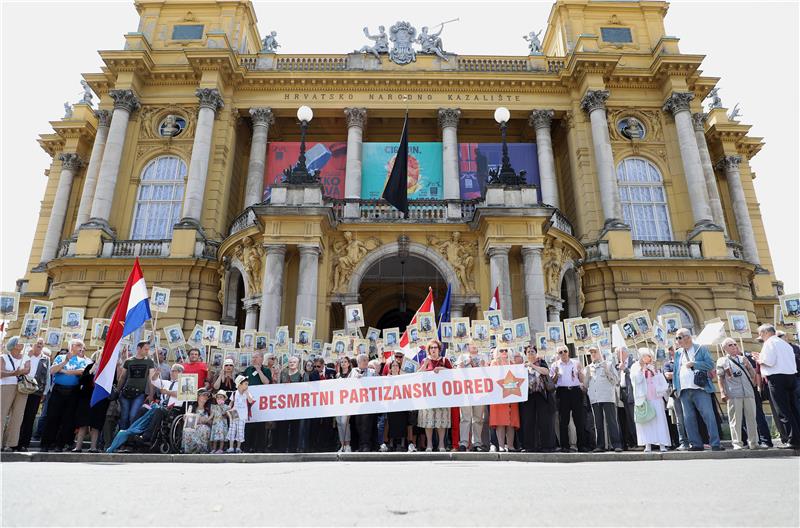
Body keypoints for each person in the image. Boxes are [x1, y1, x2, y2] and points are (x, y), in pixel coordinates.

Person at [673, 328, 722, 451]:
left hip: (700, 388)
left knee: (708, 416)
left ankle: (715, 443)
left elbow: (710, 364)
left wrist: (695, 364)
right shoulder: (678, 353)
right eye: (677, 338)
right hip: (684, 390)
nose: (677, 340)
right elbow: (675, 372)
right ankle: (695, 444)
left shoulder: (700, 348)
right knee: (688, 418)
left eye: (679, 337)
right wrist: (675, 388)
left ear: (687, 337)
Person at [752, 324, 800, 448]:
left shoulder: (769, 343)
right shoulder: (785, 344)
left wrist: (758, 358)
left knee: (782, 410)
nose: (761, 337)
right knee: (793, 408)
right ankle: (797, 437)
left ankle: (791, 439)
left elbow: (769, 361)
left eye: (761, 334)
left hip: (777, 378)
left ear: (766, 332)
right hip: (791, 377)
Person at [41, 339, 89, 452]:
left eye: (82, 346)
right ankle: (46, 443)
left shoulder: (82, 360)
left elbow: (81, 371)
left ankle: (60, 444)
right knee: (52, 417)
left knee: (67, 419)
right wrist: (65, 361)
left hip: (73, 391)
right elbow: (52, 370)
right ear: (72, 346)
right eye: (78, 345)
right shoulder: (60, 357)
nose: (81, 348)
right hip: (58, 390)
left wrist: (64, 371)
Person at [717, 338, 760, 450]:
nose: (734, 346)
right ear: (725, 348)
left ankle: (753, 442)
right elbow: (720, 378)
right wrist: (722, 392)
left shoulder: (743, 358)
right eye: (730, 345)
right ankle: (737, 443)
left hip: (748, 391)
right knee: (735, 419)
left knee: (752, 418)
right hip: (733, 392)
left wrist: (748, 367)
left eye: (735, 344)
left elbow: (753, 374)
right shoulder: (722, 360)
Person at [631, 348, 671, 452]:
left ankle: (662, 444)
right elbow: (636, 381)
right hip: (644, 399)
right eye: (643, 356)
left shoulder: (656, 368)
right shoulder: (636, 367)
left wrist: (655, 372)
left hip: (656, 398)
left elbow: (662, 383)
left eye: (647, 356)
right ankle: (647, 444)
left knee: (659, 420)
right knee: (646, 421)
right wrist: (640, 369)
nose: (645, 358)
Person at [584, 346, 623, 453]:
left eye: (594, 352)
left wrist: (607, 371)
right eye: (591, 353)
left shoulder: (608, 364)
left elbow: (616, 381)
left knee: (611, 421)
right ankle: (600, 445)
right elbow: (586, 385)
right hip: (595, 398)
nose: (593, 354)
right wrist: (586, 375)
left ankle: (616, 444)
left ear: (600, 352)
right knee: (598, 423)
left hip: (607, 397)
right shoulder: (588, 367)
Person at [519, 345, 556, 452]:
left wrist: (533, 365)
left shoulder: (541, 362)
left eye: (532, 351)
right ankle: (530, 446)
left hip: (541, 395)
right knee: (528, 421)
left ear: (536, 353)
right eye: (528, 352)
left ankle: (547, 446)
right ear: (525, 354)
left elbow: (546, 372)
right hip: (528, 396)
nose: (530, 353)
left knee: (544, 421)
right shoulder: (522, 366)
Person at [551, 345, 588, 452]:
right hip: (562, 392)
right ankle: (565, 446)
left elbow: (582, 380)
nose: (563, 353)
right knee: (563, 421)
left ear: (568, 352)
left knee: (579, 420)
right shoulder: (555, 365)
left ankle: (582, 445)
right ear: (558, 354)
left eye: (565, 351)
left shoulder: (576, 363)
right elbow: (552, 383)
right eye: (560, 352)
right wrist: (556, 374)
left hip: (575, 391)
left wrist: (580, 371)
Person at [418, 340, 452, 452]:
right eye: (431, 348)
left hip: (442, 396)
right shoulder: (424, 361)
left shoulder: (444, 360)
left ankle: (441, 444)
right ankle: (429, 444)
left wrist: (442, 369)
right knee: (428, 421)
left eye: (435, 347)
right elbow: (417, 376)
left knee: (441, 420)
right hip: (428, 396)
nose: (433, 349)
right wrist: (425, 365)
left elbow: (453, 373)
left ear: (439, 349)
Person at [17, 338, 50, 452]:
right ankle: (14, 442)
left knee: (30, 418)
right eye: (37, 344)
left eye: (41, 344)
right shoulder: (25, 355)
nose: (39, 345)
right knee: (19, 416)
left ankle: (24, 444)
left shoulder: (45, 359)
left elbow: (47, 376)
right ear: (32, 345)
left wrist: (45, 392)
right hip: (22, 389)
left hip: (36, 391)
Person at [118, 340, 156, 431]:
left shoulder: (149, 362)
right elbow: (122, 377)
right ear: (138, 349)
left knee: (133, 416)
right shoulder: (128, 361)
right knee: (124, 417)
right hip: (125, 393)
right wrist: (118, 391)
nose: (147, 351)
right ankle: (121, 440)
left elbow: (151, 380)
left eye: (148, 349)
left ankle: (131, 439)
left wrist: (151, 394)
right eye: (145, 349)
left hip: (139, 394)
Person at [1, 337, 31, 451]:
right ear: (13, 345)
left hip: (22, 388)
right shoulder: (3, 357)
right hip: (6, 386)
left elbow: (27, 369)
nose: (22, 344)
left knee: (18, 416)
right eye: (20, 342)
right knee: (1, 414)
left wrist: (14, 372)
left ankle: (10, 443)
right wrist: (14, 373)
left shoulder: (26, 357)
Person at [456, 344, 487, 452]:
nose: (474, 345)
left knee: (478, 418)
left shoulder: (484, 356)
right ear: (468, 346)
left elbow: (488, 373)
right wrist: (466, 363)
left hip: (479, 391)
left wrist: (483, 366)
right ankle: (463, 443)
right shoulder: (462, 356)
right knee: (465, 417)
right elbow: (457, 371)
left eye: (476, 343)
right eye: (471, 343)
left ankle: (477, 443)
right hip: (465, 391)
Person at [72, 355, 106, 453]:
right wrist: (92, 371)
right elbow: (82, 380)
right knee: (83, 423)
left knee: (95, 424)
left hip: (99, 399)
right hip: (86, 398)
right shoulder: (89, 366)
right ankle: (78, 447)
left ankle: (93, 447)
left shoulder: (107, 368)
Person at [489, 347, 520, 452]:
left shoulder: (512, 363)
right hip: (499, 396)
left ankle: (510, 445)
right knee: (500, 421)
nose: (504, 352)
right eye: (501, 350)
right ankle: (501, 445)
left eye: (506, 350)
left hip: (511, 394)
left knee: (511, 421)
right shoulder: (494, 363)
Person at [242, 352, 271, 453]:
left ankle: (260, 447)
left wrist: (259, 371)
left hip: (261, 403)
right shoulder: (248, 370)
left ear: (262, 359)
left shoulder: (266, 370)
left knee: (260, 425)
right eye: (252, 357)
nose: (254, 359)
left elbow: (266, 382)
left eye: (256, 357)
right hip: (249, 402)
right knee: (249, 425)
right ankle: (247, 446)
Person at [662, 346, 689, 450]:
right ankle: (683, 441)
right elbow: (668, 375)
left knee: (690, 417)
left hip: (687, 390)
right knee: (680, 419)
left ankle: (693, 440)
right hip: (675, 393)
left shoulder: (685, 360)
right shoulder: (668, 364)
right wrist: (681, 373)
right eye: (674, 349)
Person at [349, 353, 377, 452]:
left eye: (367, 360)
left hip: (368, 403)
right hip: (357, 403)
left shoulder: (372, 372)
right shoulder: (353, 371)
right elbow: (348, 383)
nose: (366, 362)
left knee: (366, 425)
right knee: (358, 424)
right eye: (364, 360)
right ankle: (360, 445)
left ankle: (366, 445)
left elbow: (377, 384)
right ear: (359, 362)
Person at [280, 356, 308, 453]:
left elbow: (306, 388)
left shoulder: (302, 375)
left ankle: (293, 448)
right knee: (283, 427)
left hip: (296, 406)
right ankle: (283, 447)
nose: (292, 363)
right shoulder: (283, 374)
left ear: (298, 364)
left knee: (295, 428)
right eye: (290, 362)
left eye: (294, 362)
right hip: (284, 405)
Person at [309, 357, 335, 452]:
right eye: (314, 366)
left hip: (328, 402)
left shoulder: (332, 372)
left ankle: (327, 445)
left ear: (323, 365)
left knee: (327, 424)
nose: (316, 368)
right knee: (315, 424)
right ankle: (315, 445)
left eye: (318, 366)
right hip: (317, 403)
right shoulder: (312, 375)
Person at [616, 347, 638, 449]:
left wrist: (624, 368)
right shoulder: (618, 364)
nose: (617, 355)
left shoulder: (633, 362)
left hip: (631, 392)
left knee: (634, 418)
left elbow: (635, 373)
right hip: (623, 392)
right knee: (628, 419)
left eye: (618, 352)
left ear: (624, 352)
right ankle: (633, 441)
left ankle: (638, 441)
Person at [385, 360, 409, 451]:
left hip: (401, 404)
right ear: (390, 368)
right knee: (392, 424)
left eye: (396, 365)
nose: (395, 367)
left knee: (402, 423)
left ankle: (402, 444)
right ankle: (391, 443)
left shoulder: (403, 378)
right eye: (393, 365)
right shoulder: (386, 378)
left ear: (399, 368)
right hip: (391, 404)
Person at [227, 375, 254, 453]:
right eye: (245, 384)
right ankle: (231, 447)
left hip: (242, 416)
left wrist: (247, 393)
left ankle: (238, 447)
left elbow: (250, 401)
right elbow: (231, 402)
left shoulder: (247, 393)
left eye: (247, 384)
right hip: (234, 415)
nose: (247, 385)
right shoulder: (235, 393)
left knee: (240, 431)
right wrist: (229, 407)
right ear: (239, 384)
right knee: (232, 430)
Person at [182, 390, 212, 454]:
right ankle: (190, 449)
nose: (206, 397)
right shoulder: (191, 407)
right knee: (187, 430)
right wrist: (185, 417)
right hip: (193, 426)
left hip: (205, 425)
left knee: (203, 428)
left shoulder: (209, 408)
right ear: (198, 396)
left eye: (207, 395)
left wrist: (206, 420)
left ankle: (202, 449)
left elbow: (213, 421)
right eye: (203, 395)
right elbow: (187, 418)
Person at [335, 356, 353, 453]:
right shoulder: (338, 375)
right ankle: (342, 445)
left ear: (349, 363)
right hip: (339, 403)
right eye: (342, 362)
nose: (343, 363)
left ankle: (348, 445)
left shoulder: (352, 374)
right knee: (339, 423)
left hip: (348, 403)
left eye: (345, 362)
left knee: (344, 423)